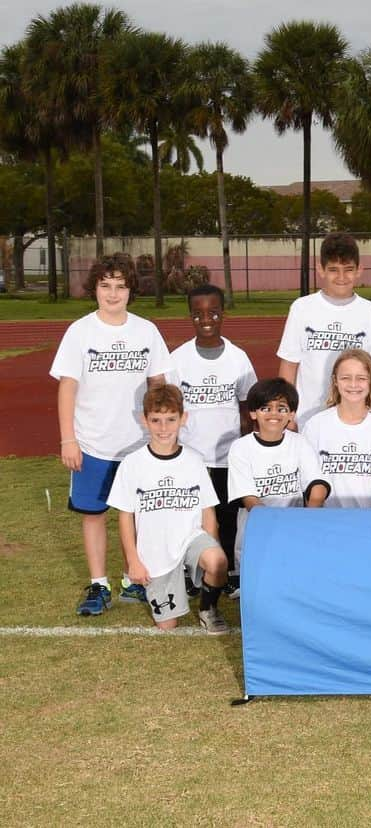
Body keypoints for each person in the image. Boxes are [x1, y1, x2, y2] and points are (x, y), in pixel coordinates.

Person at [50, 253, 173, 617]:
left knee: (138, 514)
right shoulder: (81, 331)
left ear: (131, 290)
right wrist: (67, 439)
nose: (113, 293)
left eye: (121, 286)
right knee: (94, 513)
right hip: (93, 442)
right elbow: (67, 388)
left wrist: (163, 431)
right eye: (106, 286)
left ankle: (133, 578)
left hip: (138, 443)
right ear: (95, 289)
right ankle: (99, 583)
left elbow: (159, 384)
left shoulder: (146, 330)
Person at [106, 385, 230, 633]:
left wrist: (213, 547)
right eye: (156, 420)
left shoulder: (194, 460)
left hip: (190, 538)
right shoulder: (132, 464)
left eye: (171, 420)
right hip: (156, 551)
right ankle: (174, 587)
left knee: (216, 561)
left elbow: (207, 510)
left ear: (183, 418)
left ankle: (208, 608)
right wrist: (134, 562)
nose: (164, 428)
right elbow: (125, 517)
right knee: (167, 626)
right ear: (144, 420)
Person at [168, 283, 257, 598]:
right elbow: (170, 408)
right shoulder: (177, 360)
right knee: (192, 516)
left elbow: (249, 409)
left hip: (226, 455)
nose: (206, 319)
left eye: (213, 312)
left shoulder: (238, 358)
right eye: (198, 314)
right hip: (191, 456)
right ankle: (194, 571)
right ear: (190, 316)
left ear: (223, 313)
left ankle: (231, 571)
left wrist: (249, 450)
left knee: (228, 515)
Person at [277, 232, 371, 429]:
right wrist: (287, 412)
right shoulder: (302, 308)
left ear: (359, 270)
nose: (341, 277)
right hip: (308, 416)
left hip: (354, 417)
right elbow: (289, 365)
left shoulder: (369, 311)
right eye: (333, 270)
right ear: (320, 270)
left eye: (348, 269)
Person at [227, 378, 330, 568]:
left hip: (296, 529)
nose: (274, 413)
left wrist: (308, 519)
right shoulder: (241, 448)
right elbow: (250, 499)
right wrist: (279, 527)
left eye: (281, 408)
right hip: (258, 533)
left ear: (291, 414)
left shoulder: (300, 443)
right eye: (266, 408)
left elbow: (317, 486)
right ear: (253, 413)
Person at [302, 349, 371, 508]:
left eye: (361, 378)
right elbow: (309, 483)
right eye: (346, 378)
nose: (353, 385)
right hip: (326, 520)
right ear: (335, 380)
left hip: (366, 521)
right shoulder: (315, 426)